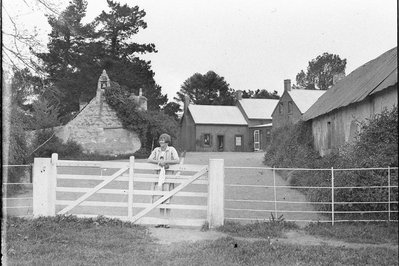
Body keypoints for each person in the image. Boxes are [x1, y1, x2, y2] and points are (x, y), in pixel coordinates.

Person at [148, 133, 179, 228]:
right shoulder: (156, 150)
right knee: (160, 198)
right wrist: (159, 162)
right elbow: (149, 159)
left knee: (167, 198)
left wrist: (165, 162)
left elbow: (177, 160)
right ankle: (161, 221)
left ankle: (167, 222)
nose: (162, 142)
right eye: (160, 140)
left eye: (164, 141)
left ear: (167, 142)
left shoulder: (171, 149)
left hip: (168, 176)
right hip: (158, 176)